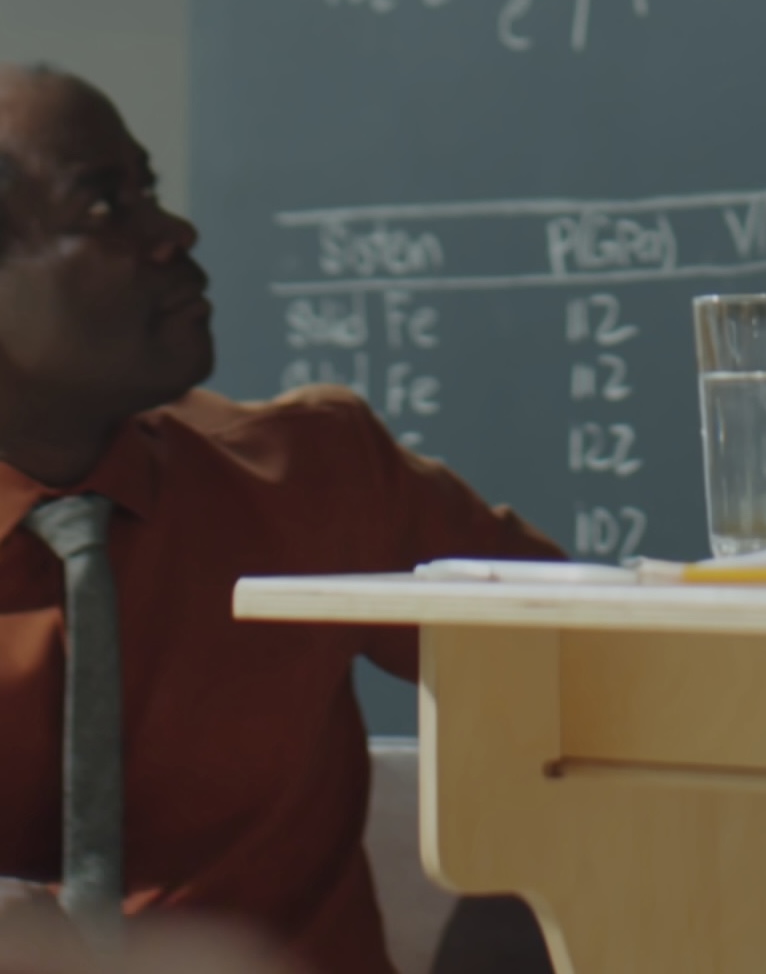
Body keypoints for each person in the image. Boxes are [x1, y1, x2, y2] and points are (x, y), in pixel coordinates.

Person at [0, 64, 565, 973]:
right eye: (105, 207)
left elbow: (602, 677)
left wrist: (528, 892)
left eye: (150, 189)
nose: (174, 233)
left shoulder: (313, 473)